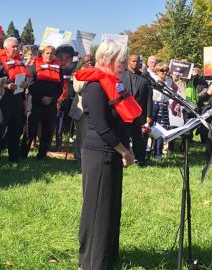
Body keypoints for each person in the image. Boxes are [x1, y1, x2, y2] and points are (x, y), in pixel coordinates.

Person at [74, 40, 137, 270]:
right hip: (99, 153)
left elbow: (118, 120)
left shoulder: (114, 84)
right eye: (120, 60)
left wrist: (127, 148)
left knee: (110, 206)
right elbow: (101, 126)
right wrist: (123, 151)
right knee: (98, 207)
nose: (122, 65)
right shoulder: (95, 86)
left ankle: (107, 256)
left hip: (114, 151)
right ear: (105, 60)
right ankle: (93, 261)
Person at [0, 37, 30, 164]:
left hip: (17, 99)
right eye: (13, 46)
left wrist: (25, 84)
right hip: (2, 100)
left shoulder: (20, 62)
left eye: (17, 46)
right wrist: (7, 86)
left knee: (15, 129)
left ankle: (14, 156)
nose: (16, 48)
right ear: (6, 48)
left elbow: (23, 78)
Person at [20, 45, 64, 159]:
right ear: (42, 54)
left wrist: (52, 99)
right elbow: (30, 84)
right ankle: (23, 154)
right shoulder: (33, 66)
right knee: (30, 131)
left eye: (52, 53)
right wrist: (41, 98)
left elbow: (60, 87)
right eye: (47, 53)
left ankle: (41, 155)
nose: (50, 55)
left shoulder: (59, 69)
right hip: (35, 103)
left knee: (47, 131)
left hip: (51, 105)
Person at [121, 54, 152, 166]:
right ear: (128, 62)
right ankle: (124, 159)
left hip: (139, 115)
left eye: (138, 61)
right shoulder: (121, 76)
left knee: (140, 138)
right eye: (133, 61)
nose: (136, 63)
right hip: (124, 113)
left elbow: (149, 98)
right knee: (123, 136)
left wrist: (149, 115)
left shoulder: (144, 78)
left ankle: (140, 160)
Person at [69, 54, 94, 162]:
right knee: (81, 134)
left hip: (93, 108)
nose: (90, 63)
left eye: (91, 61)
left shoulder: (96, 73)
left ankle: (88, 156)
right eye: (88, 62)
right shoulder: (77, 74)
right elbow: (77, 88)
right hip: (81, 109)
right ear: (82, 64)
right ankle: (79, 156)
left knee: (91, 134)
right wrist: (86, 77)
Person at [150, 62, 178, 160]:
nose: (164, 73)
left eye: (166, 70)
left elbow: (175, 88)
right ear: (157, 71)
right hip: (154, 104)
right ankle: (147, 151)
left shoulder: (169, 80)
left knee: (161, 130)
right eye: (162, 70)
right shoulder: (153, 79)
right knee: (150, 128)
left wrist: (170, 97)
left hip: (164, 105)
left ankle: (158, 154)